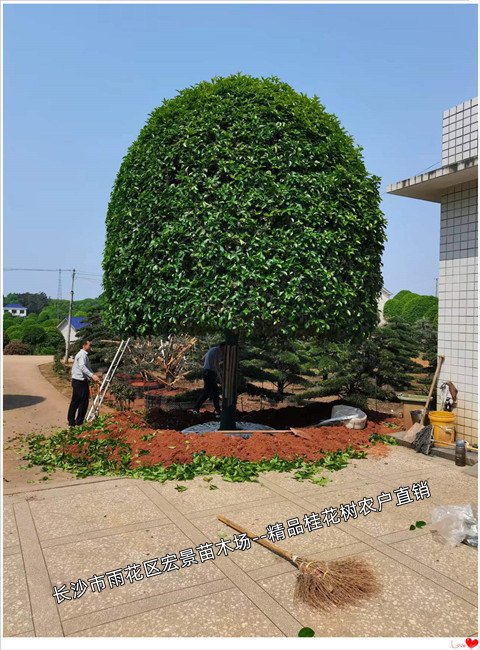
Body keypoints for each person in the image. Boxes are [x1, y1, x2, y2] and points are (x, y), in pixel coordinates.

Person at [67, 339, 101, 427]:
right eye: (89, 345)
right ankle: (71, 421)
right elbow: (82, 367)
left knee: (84, 401)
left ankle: (79, 421)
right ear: (84, 345)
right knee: (76, 401)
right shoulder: (81, 355)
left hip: (83, 380)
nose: (90, 347)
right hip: (78, 381)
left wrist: (93, 376)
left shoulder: (84, 355)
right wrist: (92, 376)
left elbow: (87, 368)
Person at [191, 342, 225, 417]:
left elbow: (203, 358)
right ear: (223, 347)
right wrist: (221, 375)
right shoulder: (217, 351)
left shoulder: (212, 349)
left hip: (207, 372)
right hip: (210, 373)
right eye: (225, 349)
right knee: (211, 392)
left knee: (212, 392)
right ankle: (196, 409)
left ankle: (217, 410)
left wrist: (207, 364)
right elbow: (216, 364)